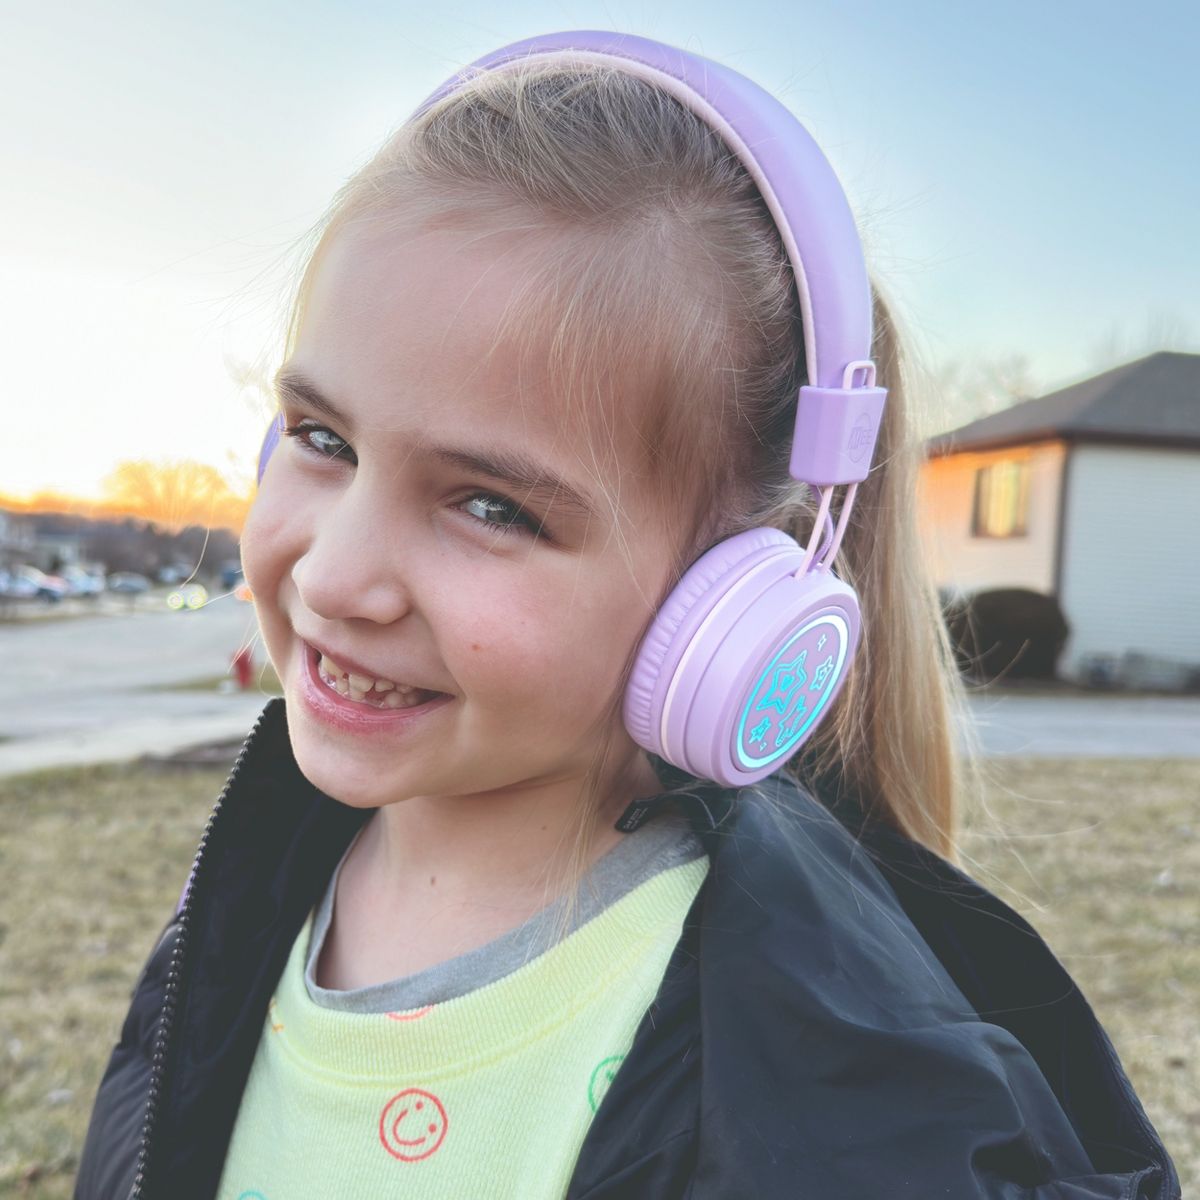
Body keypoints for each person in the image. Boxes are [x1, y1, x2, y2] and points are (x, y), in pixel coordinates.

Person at [75, 31, 1180, 1200]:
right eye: (322, 439)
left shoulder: (833, 1098)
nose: (339, 578)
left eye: (491, 505)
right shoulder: (263, 877)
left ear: (734, 600)